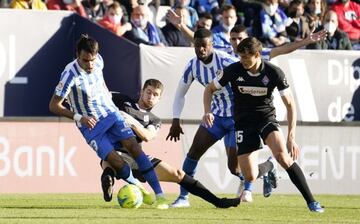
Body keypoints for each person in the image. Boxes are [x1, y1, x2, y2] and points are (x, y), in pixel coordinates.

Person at [202, 37, 324, 213]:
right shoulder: (233, 70)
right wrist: (207, 111)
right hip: (243, 123)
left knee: (283, 156)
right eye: (240, 56)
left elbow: (291, 105)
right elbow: (209, 89)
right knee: (249, 175)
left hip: (266, 119)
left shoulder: (274, 73)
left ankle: (312, 202)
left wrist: (291, 137)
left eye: (246, 57)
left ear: (257, 55)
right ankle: (269, 167)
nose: (242, 60)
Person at [48, 34, 168, 209]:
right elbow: (54, 105)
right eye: (85, 60)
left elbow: (101, 80)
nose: (90, 65)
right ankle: (139, 187)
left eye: (93, 60)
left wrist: (107, 97)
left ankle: (160, 196)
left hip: (111, 114)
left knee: (134, 147)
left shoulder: (99, 61)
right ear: (77, 55)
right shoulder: (69, 76)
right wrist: (79, 117)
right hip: (91, 126)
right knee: (117, 162)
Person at [166, 28, 277, 208]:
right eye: (197, 46)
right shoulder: (192, 66)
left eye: (204, 46)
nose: (200, 49)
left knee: (234, 169)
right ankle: (183, 197)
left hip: (237, 119)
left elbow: (252, 76)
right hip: (215, 116)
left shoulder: (228, 61)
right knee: (194, 152)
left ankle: (266, 168)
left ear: (212, 45)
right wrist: (176, 119)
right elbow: (180, 93)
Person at [100, 79, 240, 208]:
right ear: (142, 92)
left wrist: (131, 121)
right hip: (115, 150)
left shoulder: (154, 120)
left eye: (155, 95)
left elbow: (148, 136)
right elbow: (101, 93)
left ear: (159, 99)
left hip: (137, 157)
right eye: (148, 92)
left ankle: (218, 202)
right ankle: (108, 178)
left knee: (178, 174)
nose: (151, 97)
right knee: (110, 158)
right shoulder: (121, 100)